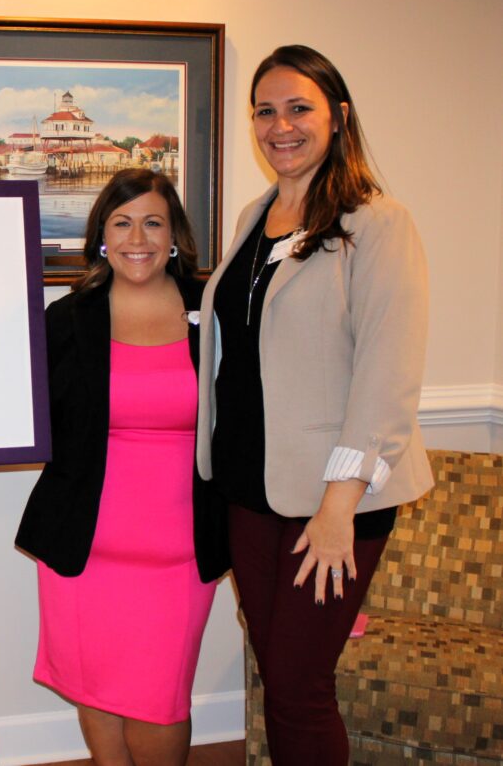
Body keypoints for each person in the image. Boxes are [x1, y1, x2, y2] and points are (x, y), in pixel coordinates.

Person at [195, 45, 432, 765]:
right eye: (265, 110)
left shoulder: (377, 224)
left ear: (339, 117)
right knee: (280, 676)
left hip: (330, 501)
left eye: (299, 107)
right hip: (246, 487)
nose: (280, 126)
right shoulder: (252, 217)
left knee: (299, 687)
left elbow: (387, 378)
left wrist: (339, 505)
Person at [16, 168, 223, 766]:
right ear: (102, 237)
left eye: (153, 222)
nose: (139, 237)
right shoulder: (67, 318)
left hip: (180, 553)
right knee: (95, 689)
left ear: (175, 235)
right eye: (122, 222)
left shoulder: (211, 313)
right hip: (85, 547)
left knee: (161, 702)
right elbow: (28, 410)